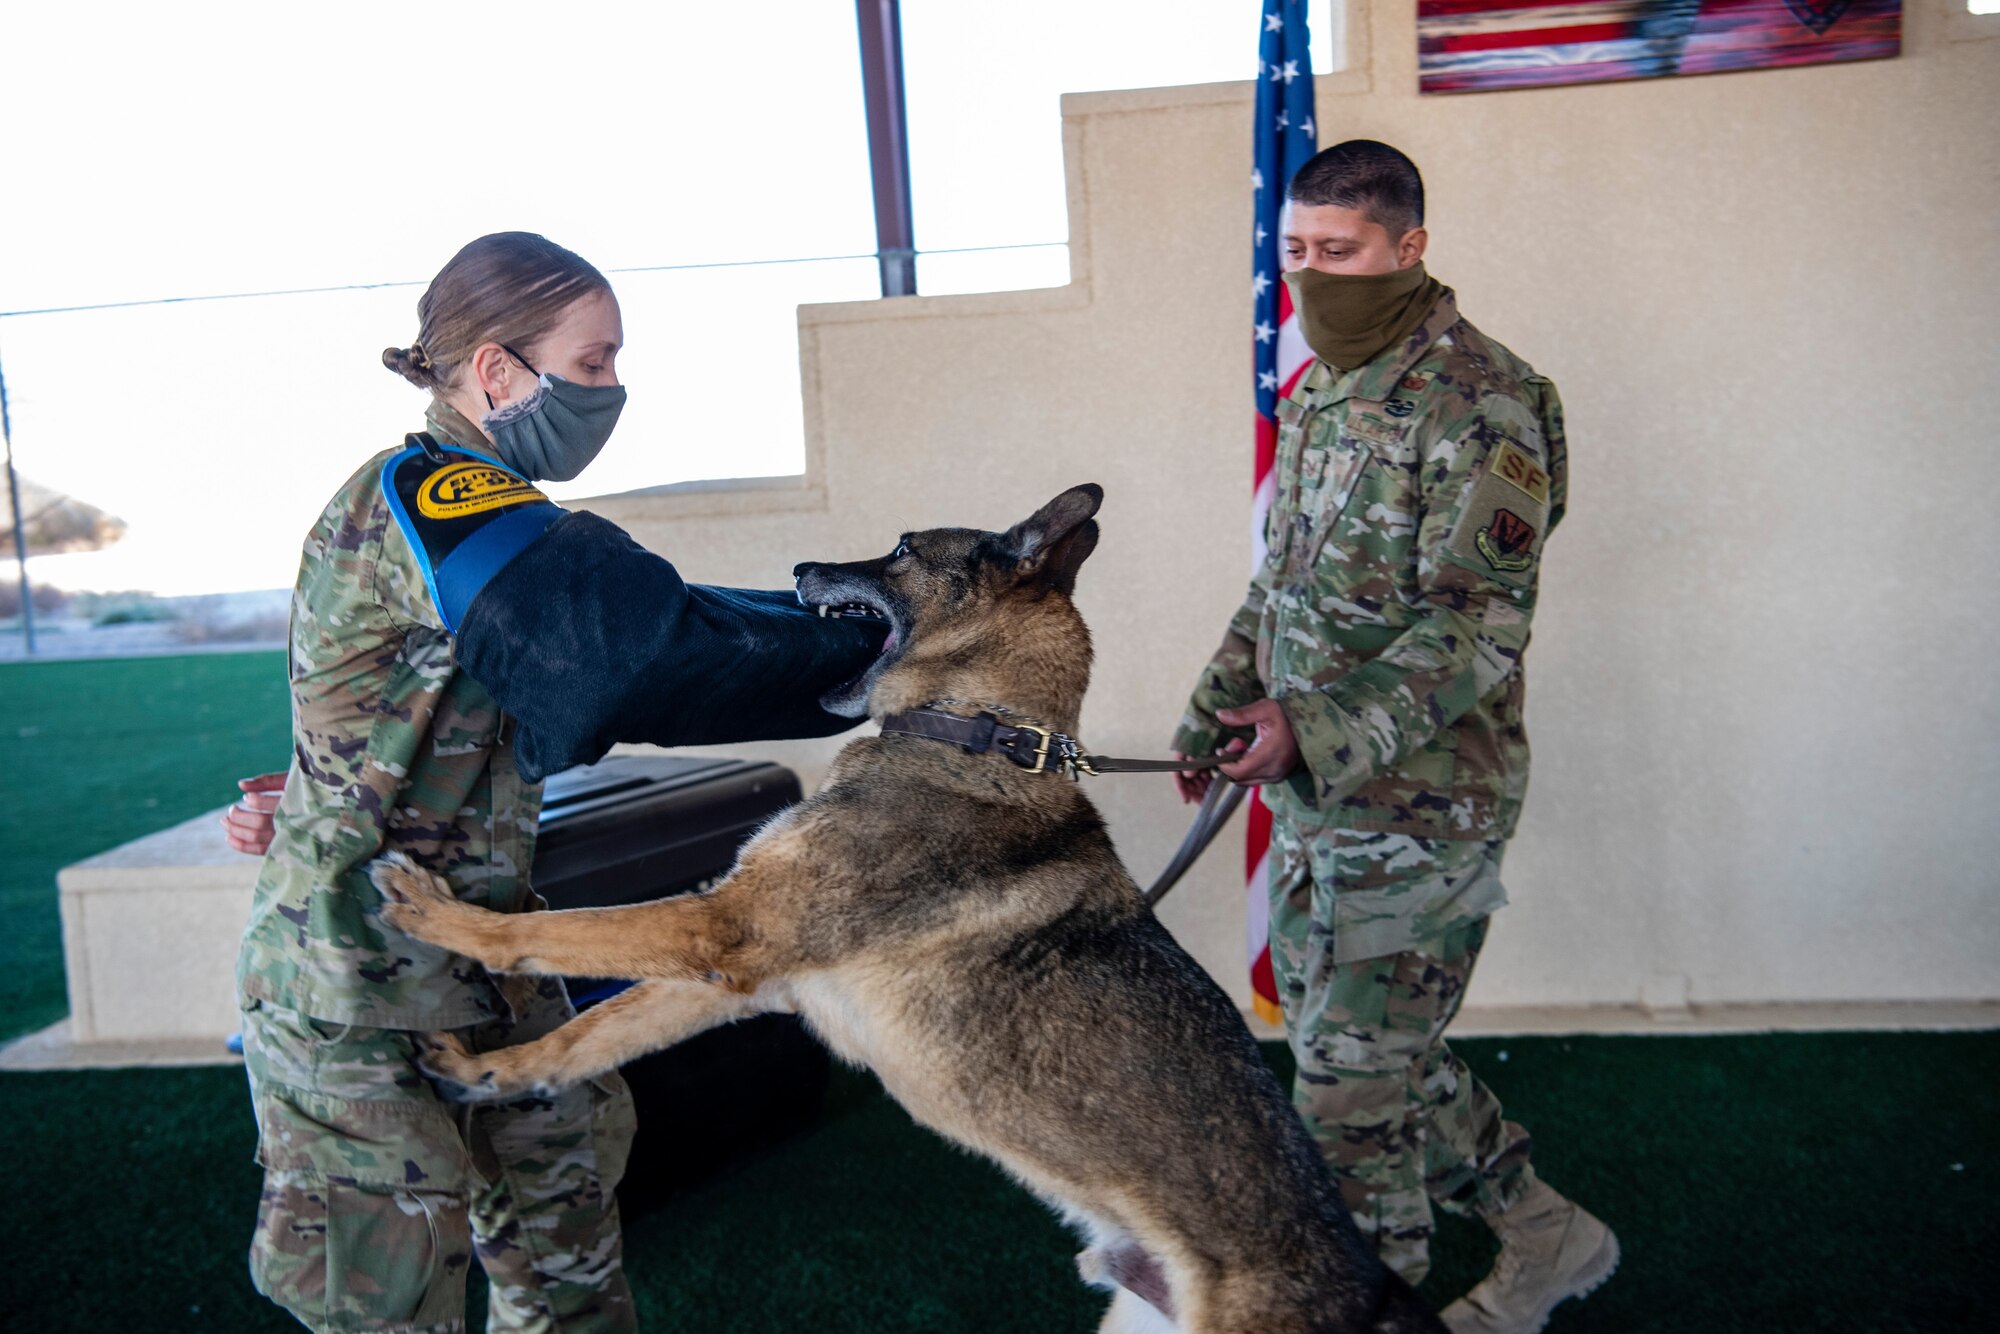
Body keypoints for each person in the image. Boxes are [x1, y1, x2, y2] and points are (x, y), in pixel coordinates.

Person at [224, 231, 884, 1334]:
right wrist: (882, 659)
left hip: (485, 952)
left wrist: (864, 642)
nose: (611, 388)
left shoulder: (492, 514)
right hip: (353, 982)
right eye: (591, 363)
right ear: (495, 372)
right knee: (389, 1304)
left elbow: (638, 621)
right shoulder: (430, 491)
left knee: (565, 1259)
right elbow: (635, 649)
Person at [1171, 142, 1616, 1334]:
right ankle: (1545, 1231)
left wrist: (1305, 722)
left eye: (1340, 252)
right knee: (1369, 1052)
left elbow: (1475, 626)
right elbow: (1282, 585)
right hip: (1315, 791)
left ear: (1407, 249)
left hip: (1426, 804)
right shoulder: (1318, 387)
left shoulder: (1484, 402)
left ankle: (1376, 1307)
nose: (1313, 276)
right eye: (1294, 254)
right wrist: (1212, 702)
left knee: (1345, 1104)